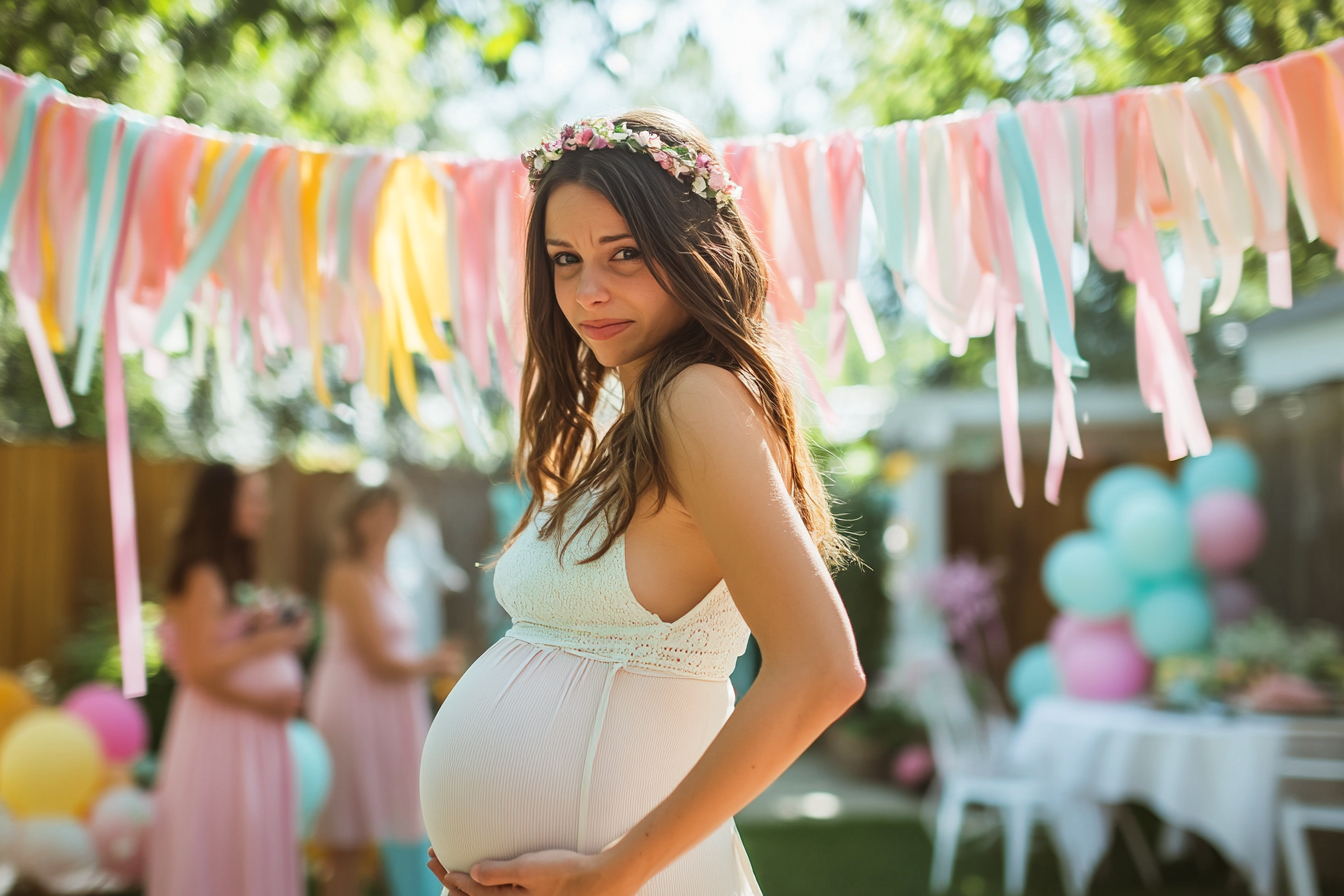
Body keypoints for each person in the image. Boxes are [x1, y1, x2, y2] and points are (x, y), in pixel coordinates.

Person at [420, 110, 866, 896]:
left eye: (624, 253)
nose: (589, 291)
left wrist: (612, 873)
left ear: (693, 249)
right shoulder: (625, 421)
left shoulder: (695, 399)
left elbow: (822, 669)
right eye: (565, 259)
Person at [147, 464, 308, 896]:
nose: (265, 509)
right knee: (221, 846)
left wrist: (271, 627)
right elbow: (200, 669)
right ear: (224, 505)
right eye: (254, 498)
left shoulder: (234, 568)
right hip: (220, 733)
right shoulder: (202, 573)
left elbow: (229, 639)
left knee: (250, 841)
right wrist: (268, 644)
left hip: (249, 732)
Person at [309, 483, 462, 896]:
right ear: (354, 519)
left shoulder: (386, 571)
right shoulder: (346, 573)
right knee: (348, 835)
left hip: (389, 705)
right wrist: (435, 662)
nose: (381, 524)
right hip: (354, 705)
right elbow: (377, 659)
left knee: (388, 826)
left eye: (388, 514)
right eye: (372, 514)